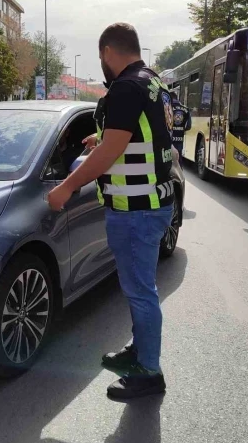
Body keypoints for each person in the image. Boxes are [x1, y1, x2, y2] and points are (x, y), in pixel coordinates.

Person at [47, 23, 175, 400]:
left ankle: (148, 373)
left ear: (106, 52)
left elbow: (113, 150)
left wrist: (68, 186)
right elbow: (138, 133)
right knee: (140, 289)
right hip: (152, 203)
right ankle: (140, 352)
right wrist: (99, 136)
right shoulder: (153, 83)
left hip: (137, 208)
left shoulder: (125, 86)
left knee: (140, 292)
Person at [170, 89, 191, 155]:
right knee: (179, 156)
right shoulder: (186, 109)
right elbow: (188, 126)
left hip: (169, 140)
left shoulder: (167, 108)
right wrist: (182, 129)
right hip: (180, 139)